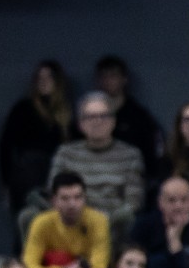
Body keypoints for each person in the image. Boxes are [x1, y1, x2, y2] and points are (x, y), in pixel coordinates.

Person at [48, 93, 146, 241]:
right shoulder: (66, 153)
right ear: (81, 124)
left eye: (103, 116)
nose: (97, 121)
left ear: (113, 121)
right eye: (90, 117)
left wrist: (102, 222)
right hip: (72, 222)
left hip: (112, 225)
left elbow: (134, 202)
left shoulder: (131, 155)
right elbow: (53, 192)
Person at [23, 171, 111, 268]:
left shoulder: (99, 221)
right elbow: (29, 267)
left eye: (78, 197)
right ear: (54, 201)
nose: (72, 204)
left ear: (85, 198)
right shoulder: (41, 223)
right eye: (65, 198)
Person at [0, 60, 72, 215]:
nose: (43, 82)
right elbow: (5, 146)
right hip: (29, 177)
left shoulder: (66, 113)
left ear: (58, 81)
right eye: (40, 77)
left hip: (58, 176)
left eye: (49, 77)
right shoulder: (23, 109)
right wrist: (6, 184)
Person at [92, 56, 163, 176]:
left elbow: (151, 155)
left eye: (113, 76)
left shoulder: (139, 117)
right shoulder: (88, 115)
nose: (108, 81)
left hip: (130, 174)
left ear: (124, 79)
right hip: (93, 172)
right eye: (103, 76)